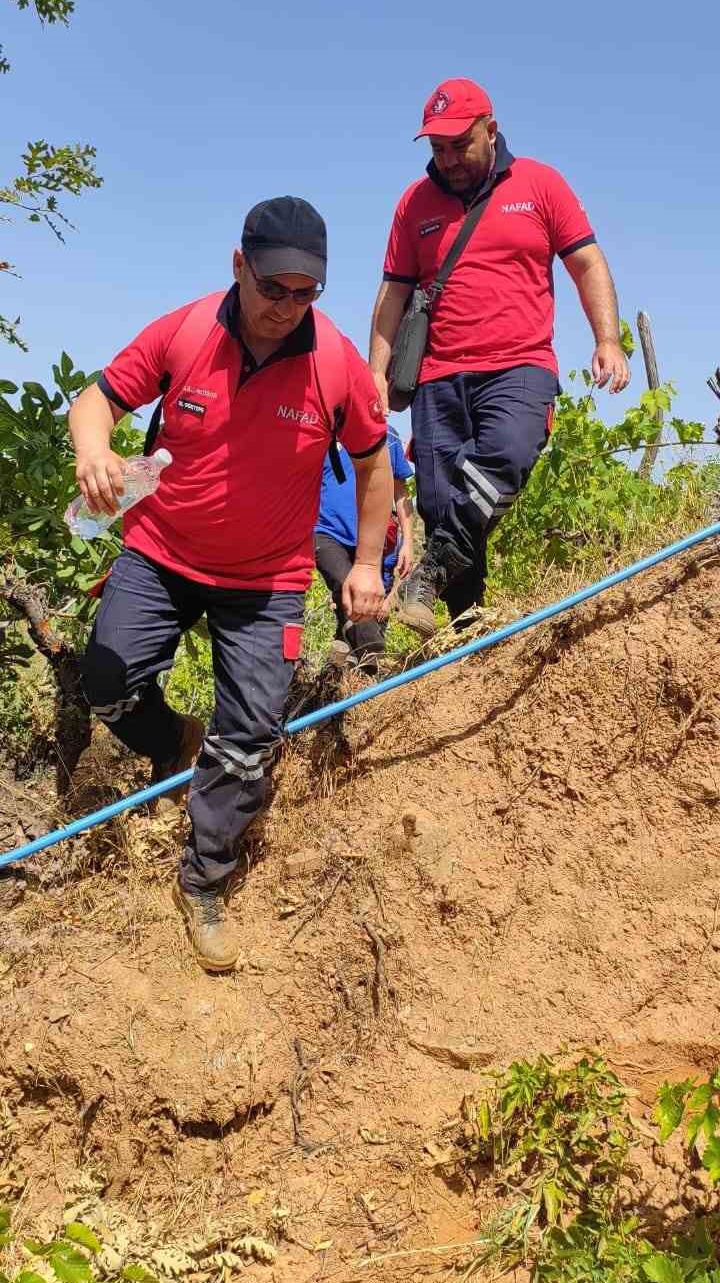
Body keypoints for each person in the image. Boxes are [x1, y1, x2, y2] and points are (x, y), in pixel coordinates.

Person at [69, 197, 392, 972]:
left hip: (267, 579)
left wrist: (370, 562)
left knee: (249, 742)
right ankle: (175, 740)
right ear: (238, 265)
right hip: (162, 551)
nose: (287, 306)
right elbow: (97, 401)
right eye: (273, 286)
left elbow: (377, 459)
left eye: (305, 293)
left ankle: (204, 878)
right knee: (106, 683)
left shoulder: (336, 361)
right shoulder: (183, 332)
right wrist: (94, 450)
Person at [369, 77, 630, 635]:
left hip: (520, 364)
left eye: (459, 145)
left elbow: (587, 262)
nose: (448, 159)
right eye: (437, 148)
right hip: (437, 377)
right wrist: (374, 372)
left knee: (506, 454)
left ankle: (430, 575)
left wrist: (607, 339)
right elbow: (392, 293)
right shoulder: (413, 205)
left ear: (491, 130)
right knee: (444, 508)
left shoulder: (540, 184)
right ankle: (470, 627)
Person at [314, 427, 414, 668]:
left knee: (363, 605)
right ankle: (374, 659)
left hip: (371, 540)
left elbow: (400, 492)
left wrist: (408, 541)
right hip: (325, 532)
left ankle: (342, 672)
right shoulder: (323, 428)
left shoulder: (388, 437)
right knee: (345, 583)